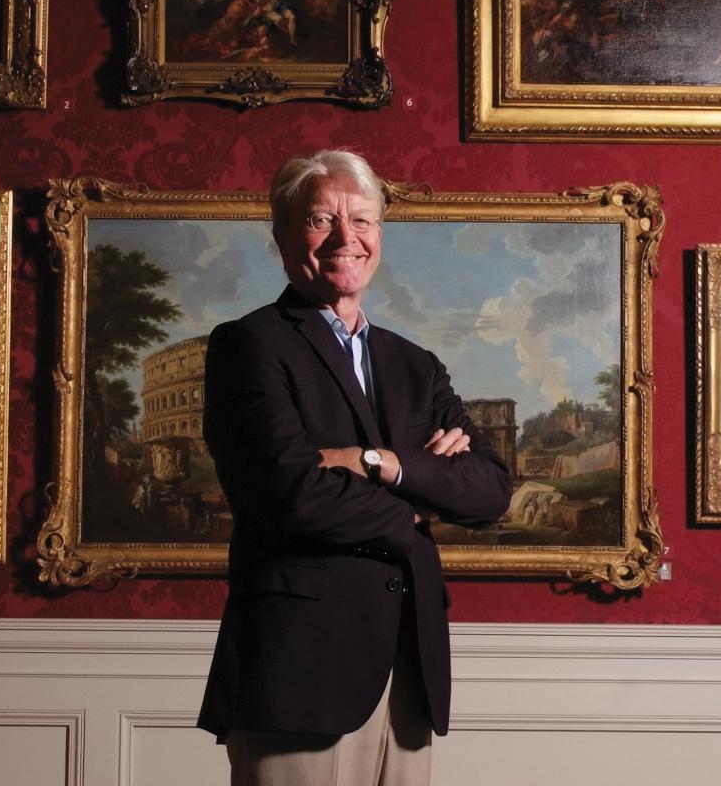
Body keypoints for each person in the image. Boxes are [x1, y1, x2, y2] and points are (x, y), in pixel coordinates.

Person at [198, 149, 512, 786]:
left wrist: (381, 463)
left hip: (408, 671)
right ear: (283, 235)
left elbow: (489, 491)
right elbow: (295, 497)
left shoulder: (415, 365)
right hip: (301, 672)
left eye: (363, 221)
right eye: (321, 221)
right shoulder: (249, 346)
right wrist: (424, 494)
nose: (347, 239)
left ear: (381, 235)